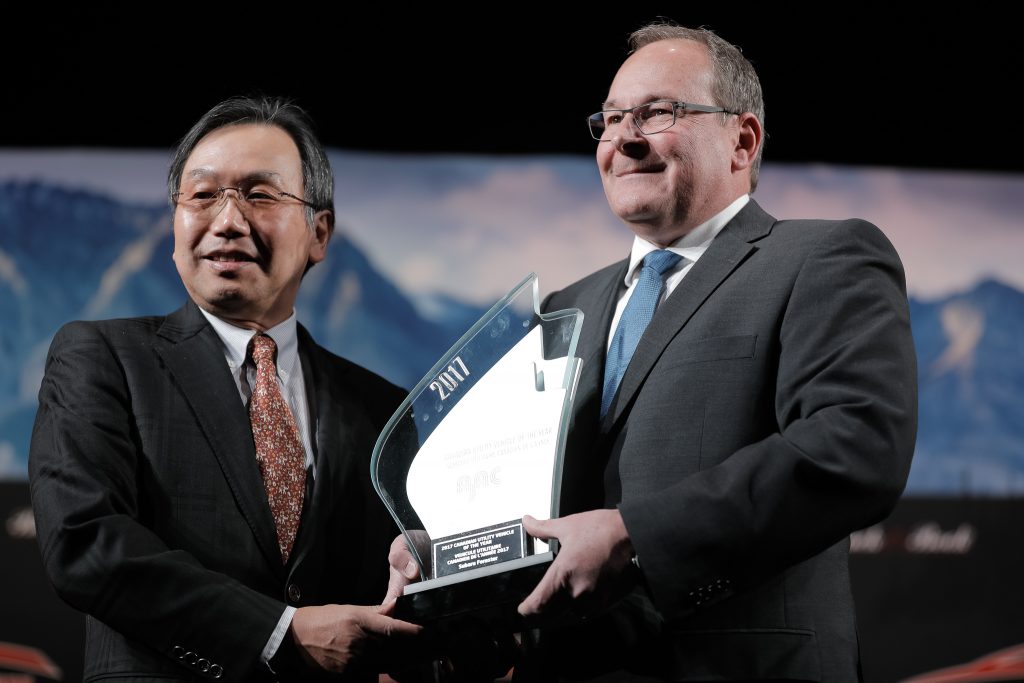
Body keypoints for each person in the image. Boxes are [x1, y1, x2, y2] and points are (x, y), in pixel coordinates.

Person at [388, 20, 918, 682]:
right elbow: (535, 499)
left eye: (658, 113)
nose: (624, 139)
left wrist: (635, 535)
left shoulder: (822, 257)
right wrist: (458, 555)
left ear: (743, 140)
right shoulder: (566, 307)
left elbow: (855, 445)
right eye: (611, 120)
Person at [29, 95, 423, 681]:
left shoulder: (383, 407)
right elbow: (84, 543)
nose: (228, 221)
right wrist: (280, 633)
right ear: (174, 226)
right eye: (203, 195)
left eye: (260, 195)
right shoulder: (102, 358)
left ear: (319, 233)